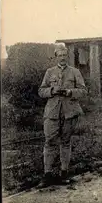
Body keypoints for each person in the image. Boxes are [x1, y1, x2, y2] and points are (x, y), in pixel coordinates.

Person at [37, 44, 87, 188]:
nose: (63, 58)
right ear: (56, 57)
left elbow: (83, 91)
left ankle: (64, 174)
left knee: (65, 142)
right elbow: (41, 91)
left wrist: (70, 92)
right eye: (60, 55)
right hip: (52, 113)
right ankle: (47, 175)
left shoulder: (75, 72)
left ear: (68, 56)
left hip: (69, 113)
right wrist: (52, 90)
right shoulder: (49, 72)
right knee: (49, 142)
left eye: (65, 55)